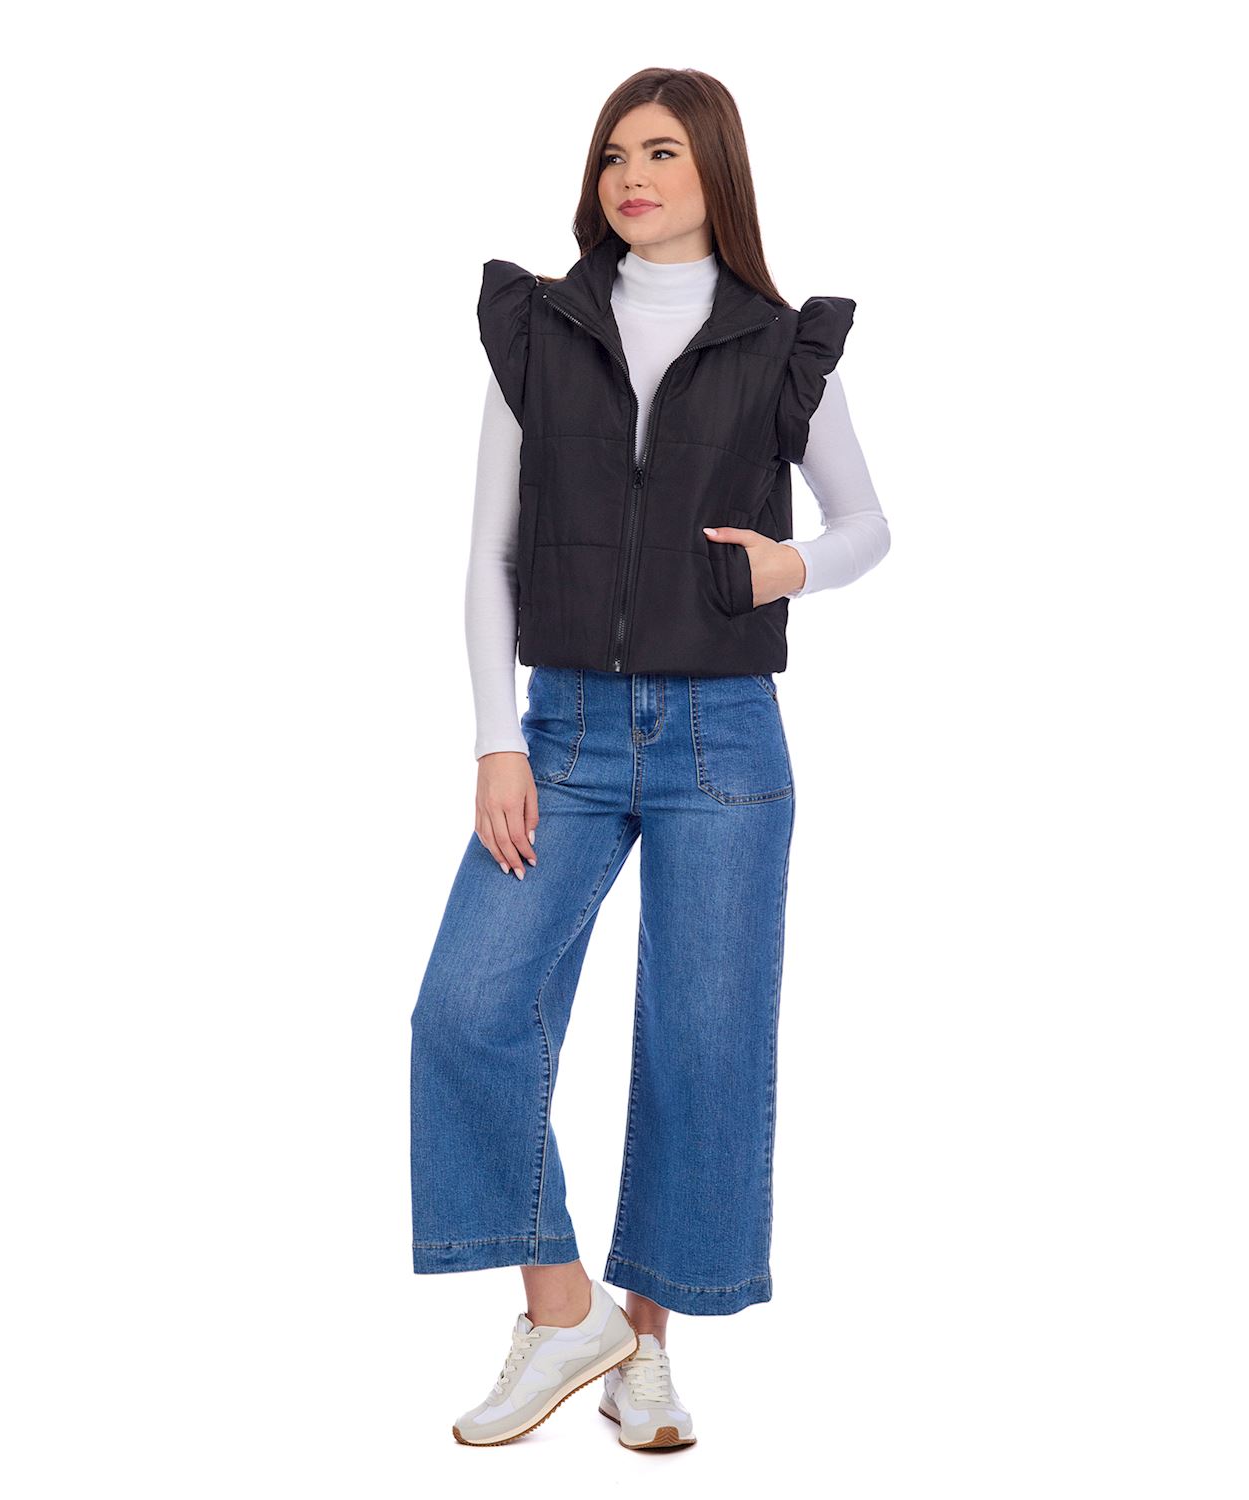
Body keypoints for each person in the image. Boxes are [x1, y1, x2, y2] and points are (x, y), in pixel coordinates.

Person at [410, 67, 891, 1450]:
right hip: (559, 735)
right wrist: (496, 738)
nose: (634, 175)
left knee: (699, 1046)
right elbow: (489, 554)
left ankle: (647, 1353)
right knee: (465, 1012)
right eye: (617, 152)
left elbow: (866, 525)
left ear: (715, 170)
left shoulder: (781, 346)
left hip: (723, 738)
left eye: (665, 151)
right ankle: (565, 1313)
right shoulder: (539, 329)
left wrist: (793, 565)